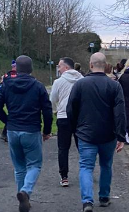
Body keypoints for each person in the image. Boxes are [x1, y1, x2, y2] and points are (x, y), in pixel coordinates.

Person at [67, 52, 126, 212]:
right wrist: (121, 135)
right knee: (106, 165)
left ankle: (87, 201)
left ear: (91, 65)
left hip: (86, 133)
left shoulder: (80, 85)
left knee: (86, 166)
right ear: (106, 65)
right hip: (108, 134)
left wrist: (74, 129)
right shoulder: (115, 86)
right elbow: (120, 112)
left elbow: (71, 109)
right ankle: (104, 197)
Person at [0, 55, 52, 212]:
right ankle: (26, 191)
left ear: (15, 69)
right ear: (31, 69)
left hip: (13, 130)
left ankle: (23, 197)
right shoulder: (38, 86)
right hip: (31, 130)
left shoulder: (6, 85)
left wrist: (7, 120)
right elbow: (47, 110)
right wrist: (46, 131)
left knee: (19, 167)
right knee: (34, 164)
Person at [50, 57, 83, 187]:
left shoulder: (58, 82)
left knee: (63, 148)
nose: (58, 69)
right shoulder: (82, 80)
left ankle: (64, 176)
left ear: (66, 67)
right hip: (79, 117)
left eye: (59, 66)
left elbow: (52, 98)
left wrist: (55, 110)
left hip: (63, 116)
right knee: (83, 146)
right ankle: (86, 171)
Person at [0, 60, 18, 142]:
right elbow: (2, 84)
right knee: (12, 115)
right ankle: (6, 134)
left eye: (15, 66)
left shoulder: (17, 75)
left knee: (12, 115)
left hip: (14, 97)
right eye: (13, 66)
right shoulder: (7, 75)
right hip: (10, 98)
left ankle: (5, 134)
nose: (13, 68)